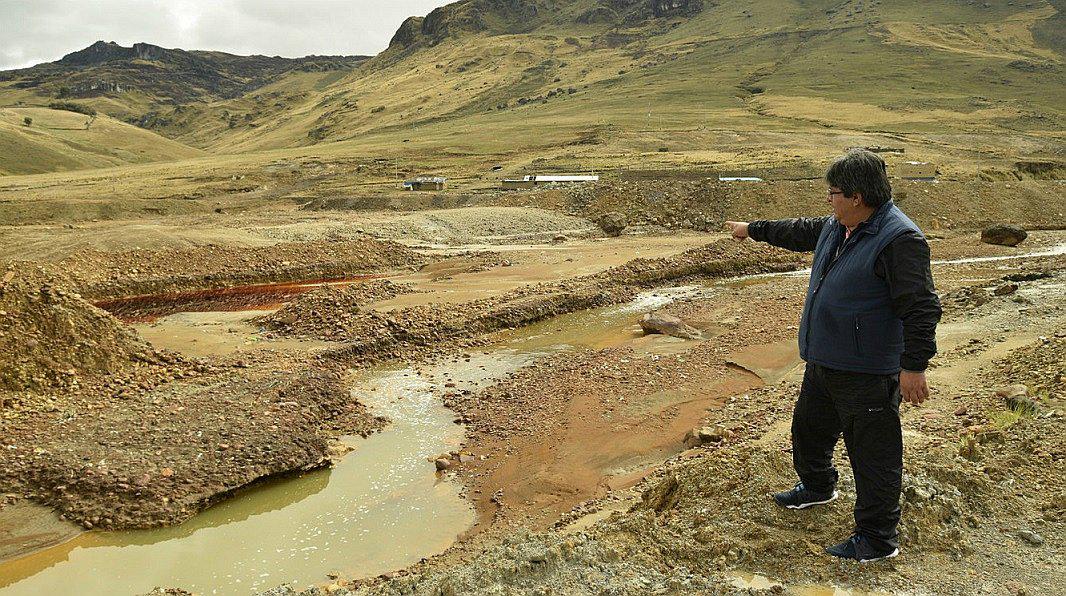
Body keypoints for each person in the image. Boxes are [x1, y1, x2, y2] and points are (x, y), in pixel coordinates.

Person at [724, 149, 942, 562]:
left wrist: (913, 367)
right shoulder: (837, 226)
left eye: (834, 193)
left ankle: (877, 539)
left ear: (858, 197)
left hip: (868, 372)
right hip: (824, 362)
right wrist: (751, 229)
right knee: (808, 433)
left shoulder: (900, 240)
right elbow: (797, 230)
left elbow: (921, 307)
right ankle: (818, 487)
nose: (829, 199)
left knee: (874, 457)